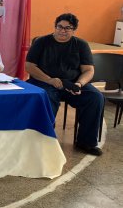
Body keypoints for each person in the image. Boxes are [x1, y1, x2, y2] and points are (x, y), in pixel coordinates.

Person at [25, 13, 104, 156]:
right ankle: (45, 141)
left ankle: (86, 142)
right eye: (60, 27)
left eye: (68, 28)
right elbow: (29, 66)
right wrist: (49, 80)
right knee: (46, 97)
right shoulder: (41, 42)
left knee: (95, 97)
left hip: (72, 83)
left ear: (74, 30)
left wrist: (79, 84)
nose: (63, 30)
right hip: (44, 82)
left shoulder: (81, 45)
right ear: (55, 27)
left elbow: (88, 70)